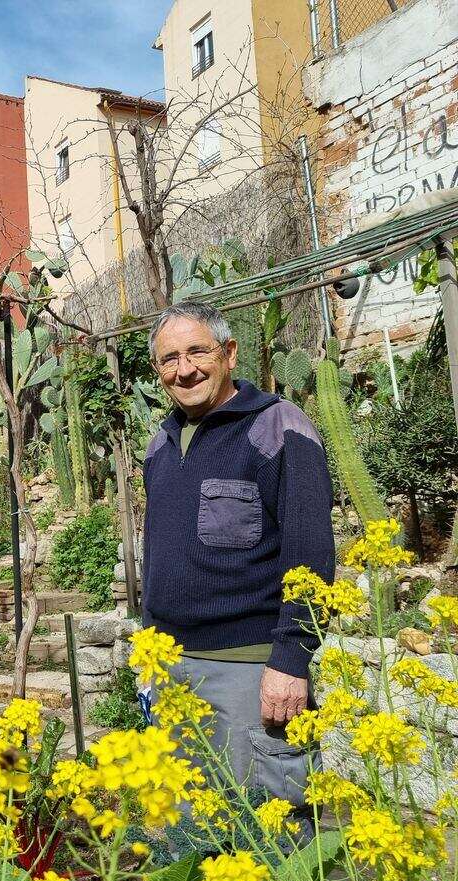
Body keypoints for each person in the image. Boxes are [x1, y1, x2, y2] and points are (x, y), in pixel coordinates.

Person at [141, 300, 334, 812]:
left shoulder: (276, 427)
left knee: (273, 842)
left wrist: (292, 659)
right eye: (169, 359)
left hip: (252, 674)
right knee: (190, 835)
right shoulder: (160, 444)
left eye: (197, 351)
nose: (184, 370)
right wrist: (149, 656)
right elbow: (156, 552)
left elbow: (310, 556)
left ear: (229, 353)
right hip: (171, 672)